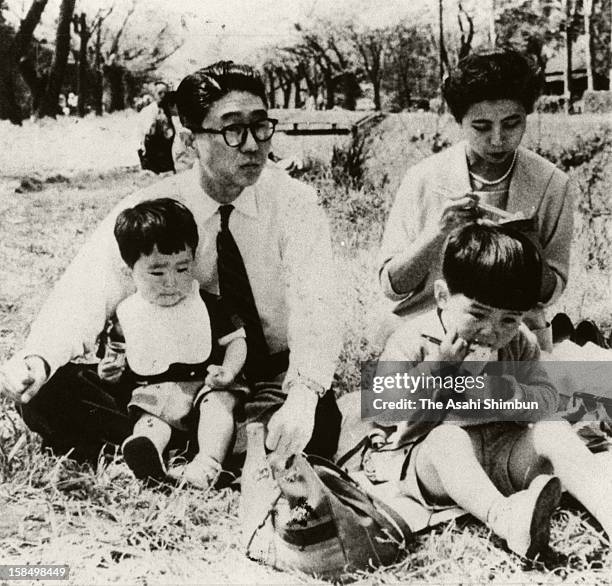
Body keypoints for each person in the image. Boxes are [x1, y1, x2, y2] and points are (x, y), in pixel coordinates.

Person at [0, 61, 342, 472]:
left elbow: (316, 309)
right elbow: (86, 290)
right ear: (189, 139)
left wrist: (304, 393)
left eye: (260, 125)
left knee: (318, 418)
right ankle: (198, 449)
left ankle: (187, 449)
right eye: (232, 129)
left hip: (265, 375)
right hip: (157, 378)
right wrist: (38, 359)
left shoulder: (295, 204)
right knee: (47, 393)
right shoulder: (151, 209)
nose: (252, 145)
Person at [366, 223, 612, 559]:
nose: (492, 331)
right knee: (446, 441)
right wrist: (440, 369)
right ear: (442, 296)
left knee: (553, 428)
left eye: (509, 320)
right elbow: (385, 410)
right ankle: (507, 520)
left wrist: (509, 395)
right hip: (436, 467)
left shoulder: (519, 342)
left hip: (504, 455)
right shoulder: (414, 340)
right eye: (477, 314)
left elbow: (548, 397)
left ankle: (605, 506)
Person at [379, 50, 576, 350]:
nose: (498, 139)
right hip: (425, 332)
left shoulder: (552, 184)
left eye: (512, 123)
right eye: (481, 127)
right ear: (460, 121)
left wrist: (530, 244)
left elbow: (547, 296)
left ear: (527, 117)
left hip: (514, 336)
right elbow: (392, 287)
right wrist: (438, 231)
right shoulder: (424, 178)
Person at [99, 198, 248, 487]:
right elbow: (115, 353)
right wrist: (109, 371)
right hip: (156, 394)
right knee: (150, 418)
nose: (171, 282)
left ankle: (207, 465)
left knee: (217, 406)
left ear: (194, 260)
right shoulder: (128, 315)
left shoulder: (207, 304)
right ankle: (147, 452)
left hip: (208, 385)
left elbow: (236, 341)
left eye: (182, 269)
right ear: (131, 269)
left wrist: (228, 371)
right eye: (157, 272)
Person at [137, 81, 176, 174]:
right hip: (151, 155)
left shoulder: (169, 111)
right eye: (160, 93)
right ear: (154, 95)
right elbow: (145, 133)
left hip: (166, 155)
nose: (163, 96)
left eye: (165, 93)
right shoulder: (148, 111)